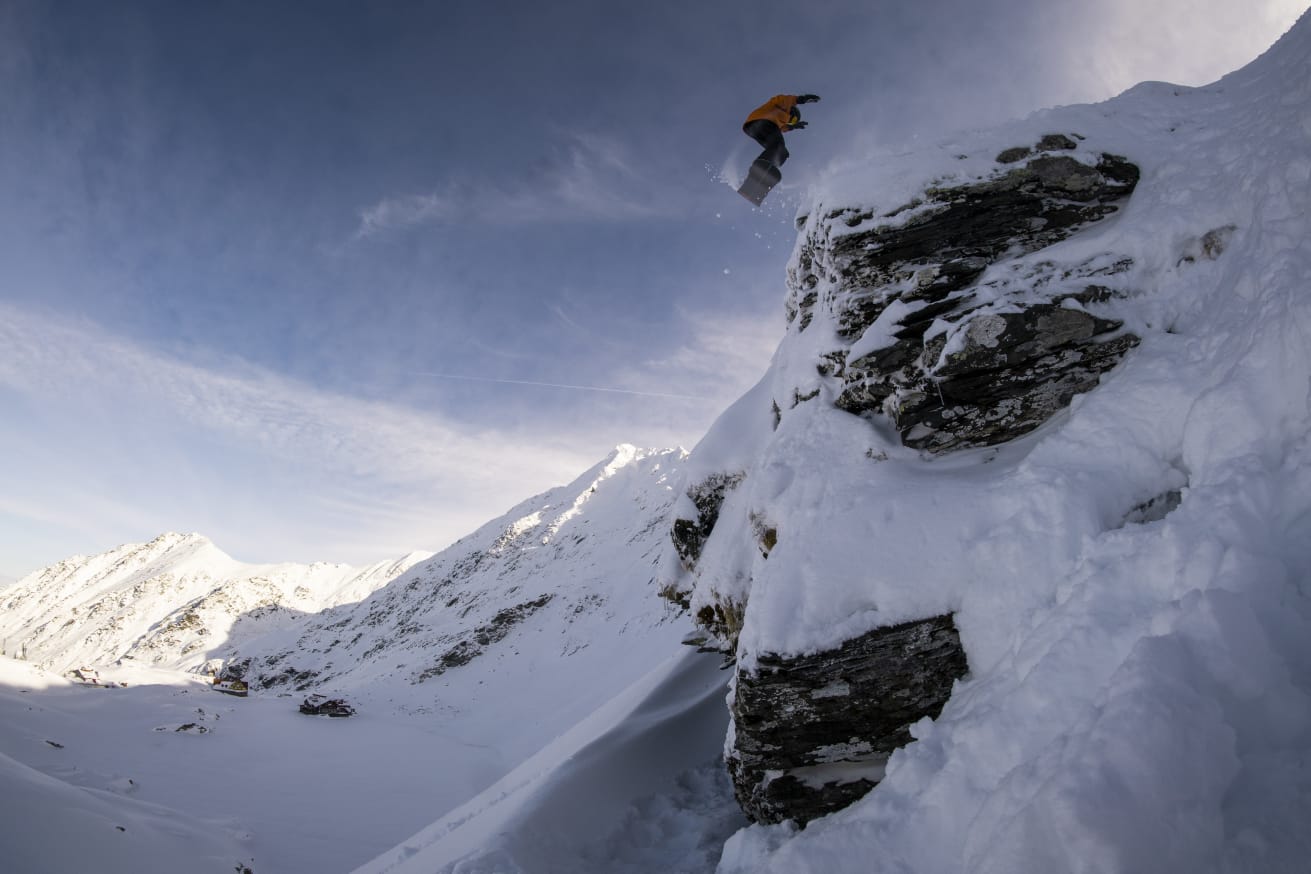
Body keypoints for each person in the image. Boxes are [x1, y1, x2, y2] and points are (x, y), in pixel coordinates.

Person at [738, 93, 821, 205]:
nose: (790, 121)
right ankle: (762, 166)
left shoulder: (779, 122)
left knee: (782, 153)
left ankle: (756, 180)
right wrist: (801, 99)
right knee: (778, 146)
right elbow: (783, 99)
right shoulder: (783, 106)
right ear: (792, 111)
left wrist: (792, 126)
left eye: (792, 121)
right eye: (793, 119)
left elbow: (782, 128)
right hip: (761, 121)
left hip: (754, 128)